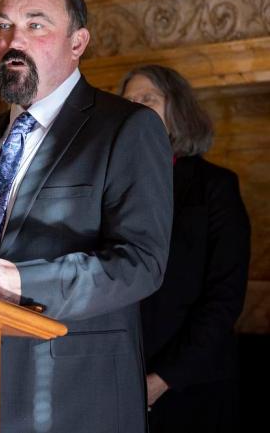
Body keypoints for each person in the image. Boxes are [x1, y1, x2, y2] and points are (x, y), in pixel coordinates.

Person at [0, 0, 173, 433]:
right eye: (4, 26)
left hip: (72, 393)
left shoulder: (126, 129)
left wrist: (25, 281)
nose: (14, 40)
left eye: (36, 25)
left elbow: (141, 263)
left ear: (78, 43)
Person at [119, 64, 250, 433]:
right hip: (119, 377)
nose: (135, 106)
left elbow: (224, 298)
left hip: (192, 386)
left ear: (177, 110)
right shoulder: (111, 186)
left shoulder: (216, 187)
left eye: (148, 98)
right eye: (128, 101)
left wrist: (162, 379)